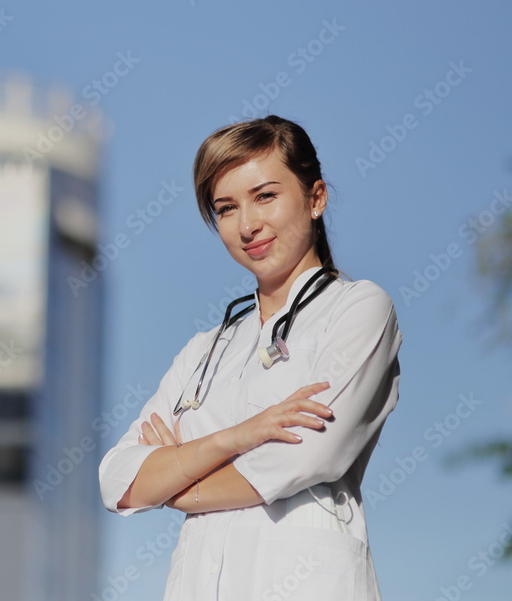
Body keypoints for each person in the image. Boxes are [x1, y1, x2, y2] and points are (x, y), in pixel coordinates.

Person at [98, 115, 403, 599]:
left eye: (265, 196)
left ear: (316, 198)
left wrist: (174, 481)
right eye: (225, 208)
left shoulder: (358, 308)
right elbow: (117, 478)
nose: (247, 225)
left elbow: (306, 456)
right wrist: (238, 437)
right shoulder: (205, 350)